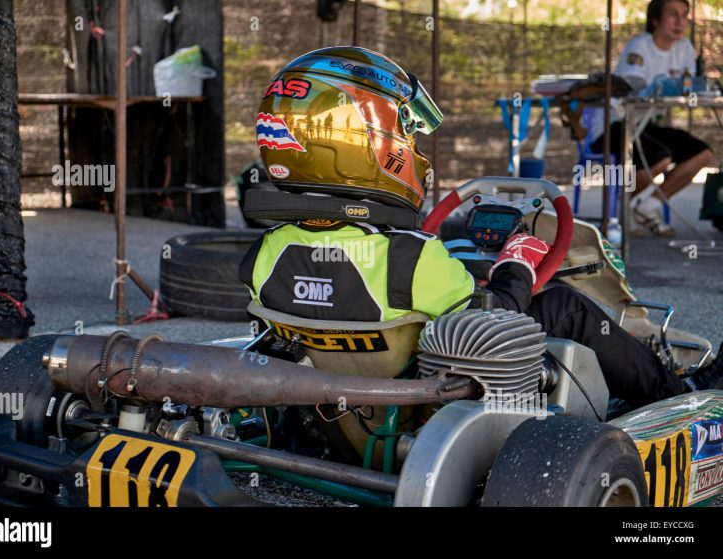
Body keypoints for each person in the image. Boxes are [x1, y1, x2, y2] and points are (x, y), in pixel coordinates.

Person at [241, 46, 719, 409]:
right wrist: (517, 265)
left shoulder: (266, 253)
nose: (412, 145)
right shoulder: (409, 258)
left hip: (335, 416)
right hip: (421, 413)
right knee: (562, 306)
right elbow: (493, 322)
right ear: (369, 143)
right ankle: (672, 394)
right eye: (406, 131)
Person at [590, 0, 713, 236]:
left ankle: (648, 207)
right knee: (660, 157)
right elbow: (633, 89)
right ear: (655, 19)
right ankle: (618, 212)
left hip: (649, 123)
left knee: (702, 154)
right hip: (616, 122)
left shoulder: (685, 48)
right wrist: (660, 87)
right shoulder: (640, 47)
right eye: (673, 14)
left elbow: (688, 87)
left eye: (684, 15)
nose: (680, 21)